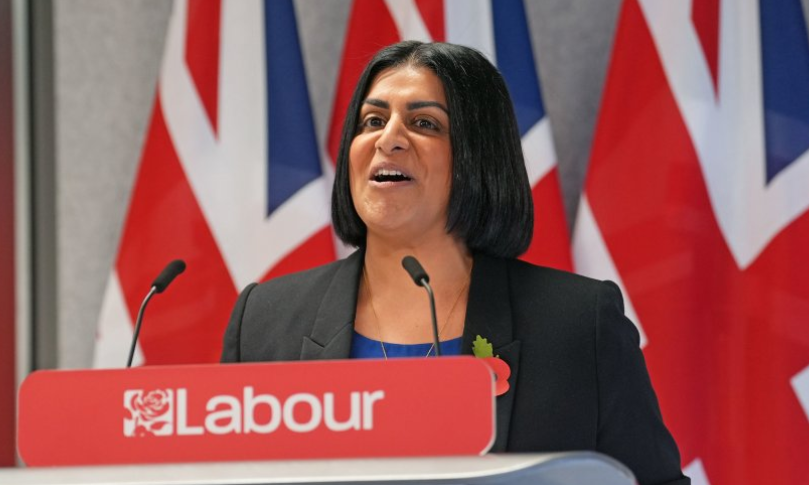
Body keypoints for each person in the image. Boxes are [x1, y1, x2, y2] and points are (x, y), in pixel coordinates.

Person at [221, 40, 689, 485]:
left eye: (425, 123)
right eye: (371, 121)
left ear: (478, 157)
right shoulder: (266, 322)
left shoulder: (576, 324)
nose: (389, 139)